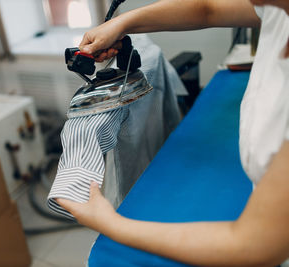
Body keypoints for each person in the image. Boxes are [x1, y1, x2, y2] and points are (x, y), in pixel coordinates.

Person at [57, 0, 289, 266]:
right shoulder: (277, 8)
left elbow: (252, 247)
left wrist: (109, 222)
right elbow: (209, 9)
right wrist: (122, 23)